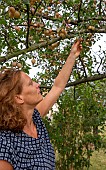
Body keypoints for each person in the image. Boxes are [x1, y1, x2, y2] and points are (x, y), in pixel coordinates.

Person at [0, 39, 82, 170]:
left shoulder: (36, 119)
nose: (37, 85)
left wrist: (72, 55)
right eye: (30, 84)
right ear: (19, 98)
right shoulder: (5, 141)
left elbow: (58, 86)